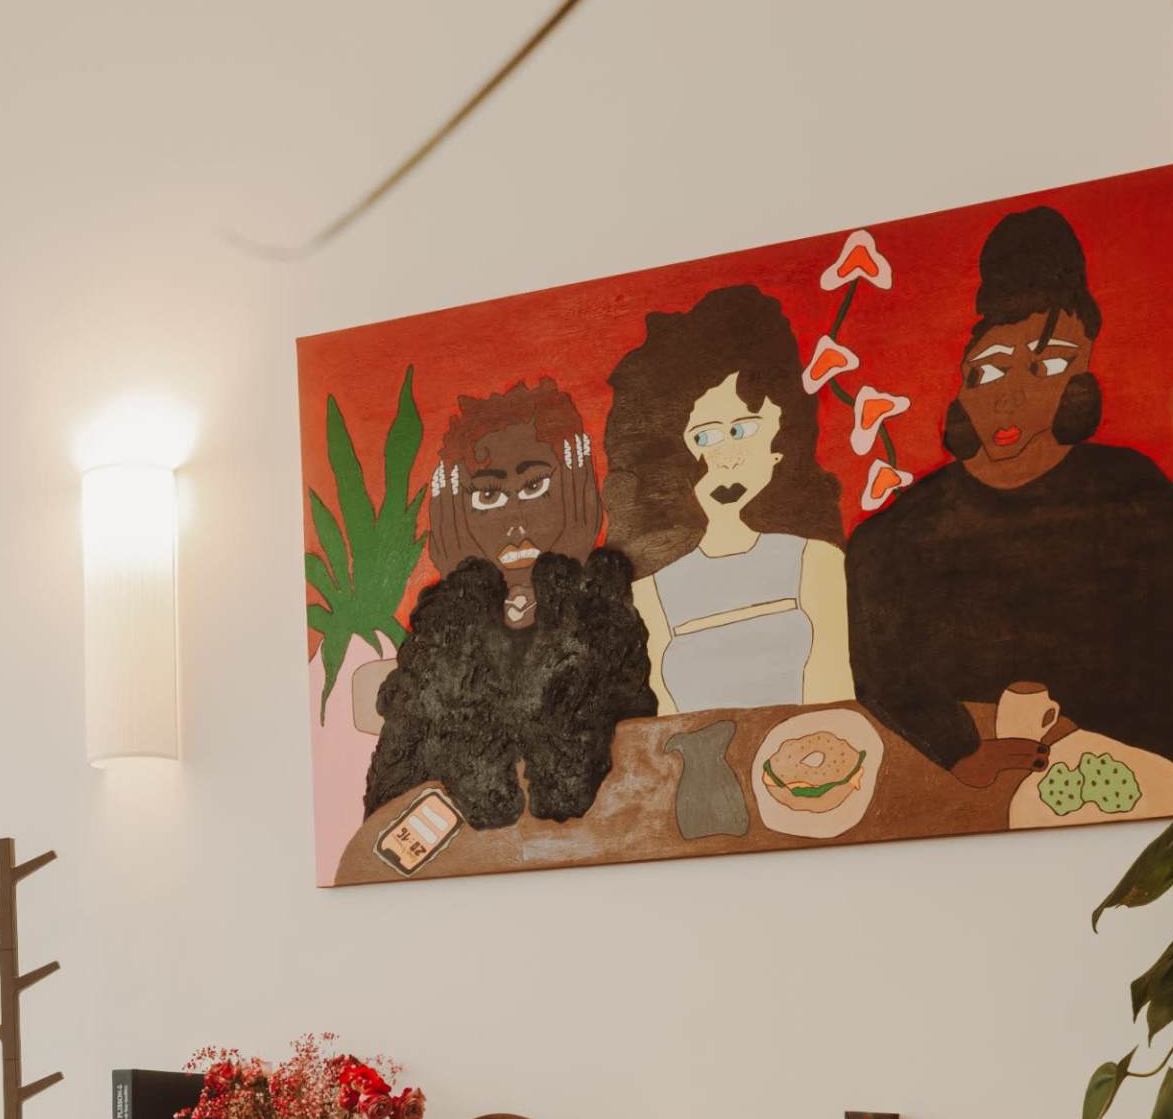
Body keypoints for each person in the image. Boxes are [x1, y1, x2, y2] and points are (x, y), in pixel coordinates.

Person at [843, 205, 1173, 776]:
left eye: (1047, 366)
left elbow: (1163, 672)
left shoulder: (1134, 499)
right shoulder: (892, 540)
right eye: (988, 371)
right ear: (961, 387)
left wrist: (1092, 742)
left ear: (1082, 380)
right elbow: (887, 681)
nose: (1008, 396)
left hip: (1102, 771)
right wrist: (959, 750)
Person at [363, 379, 655, 828]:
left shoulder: (601, 610)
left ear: (573, 485)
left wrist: (562, 576)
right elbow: (393, 791)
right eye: (487, 495)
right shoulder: (446, 627)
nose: (514, 519)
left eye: (536, 486)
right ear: (458, 509)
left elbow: (582, 776)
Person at [601, 284, 853, 711]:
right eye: (705, 436)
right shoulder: (650, 587)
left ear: (782, 433)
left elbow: (836, 701)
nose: (726, 456)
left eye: (742, 429)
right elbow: (660, 720)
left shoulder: (816, 560)